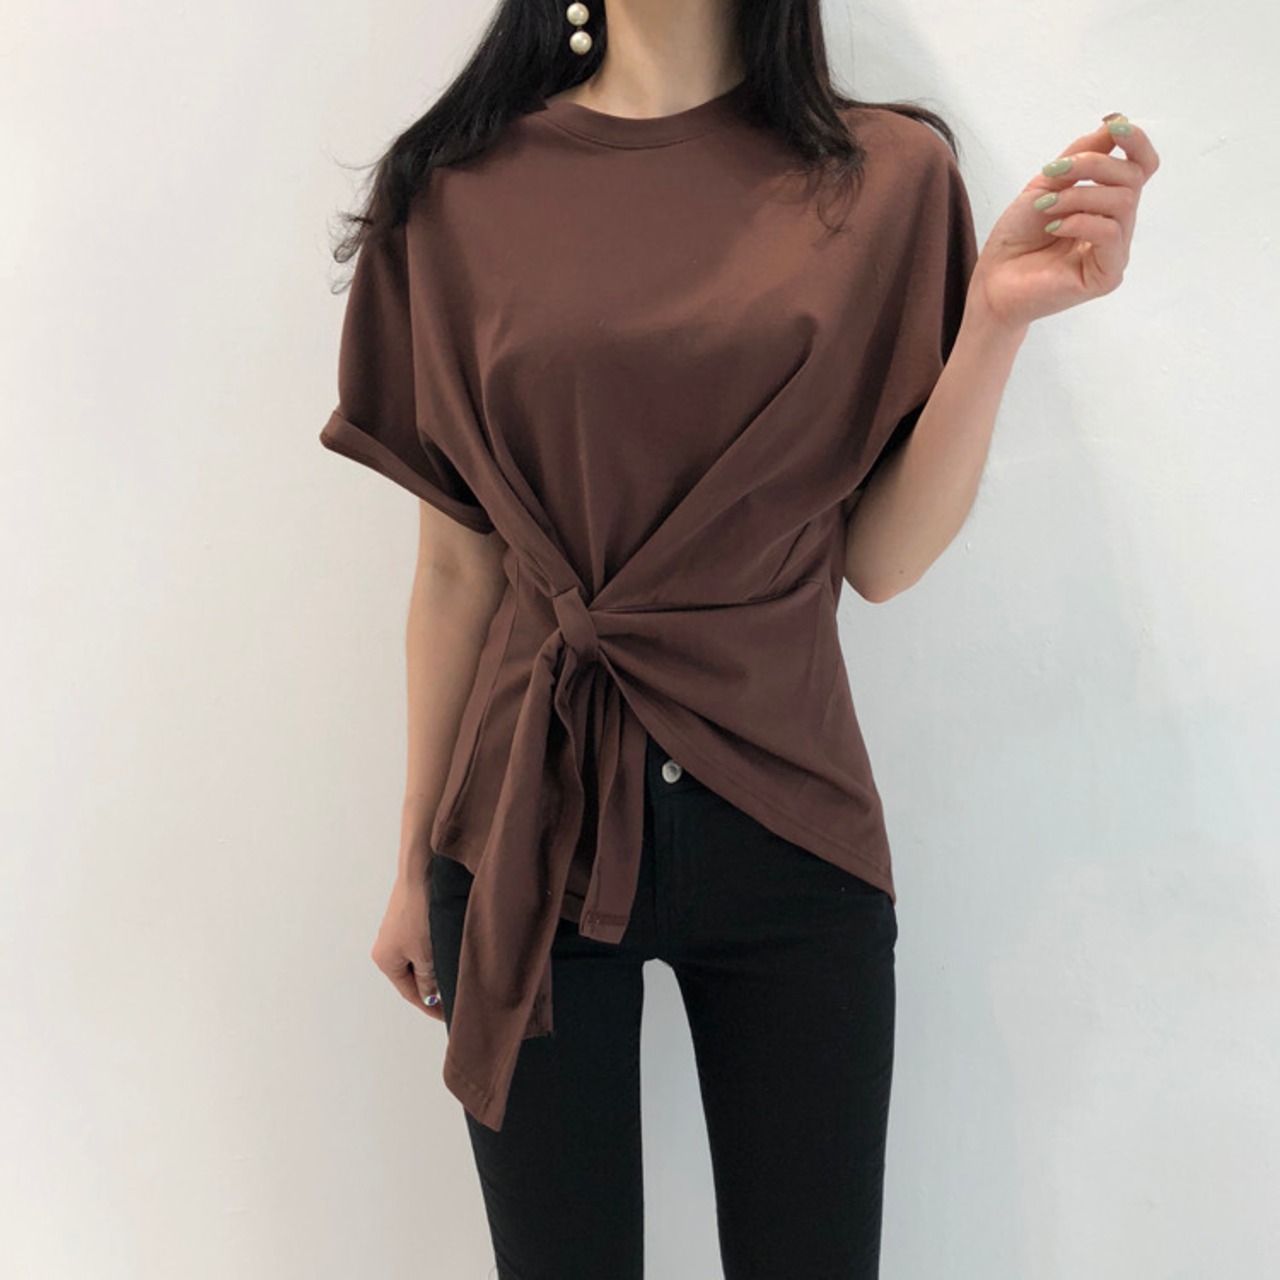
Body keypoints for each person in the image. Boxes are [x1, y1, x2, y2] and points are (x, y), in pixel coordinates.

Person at [317, 2, 1159, 1276]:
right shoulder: (454, 189)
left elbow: (877, 560)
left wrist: (992, 318)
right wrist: (408, 863)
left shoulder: (886, 179)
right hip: (523, 829)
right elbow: (454, 567)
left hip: (789, 815)